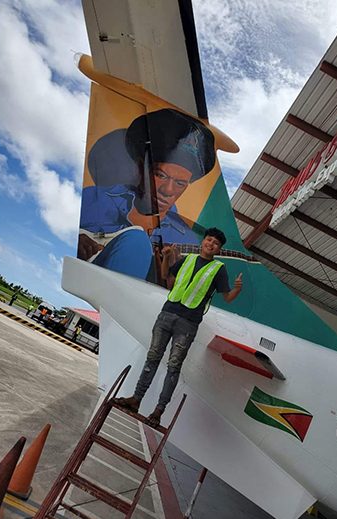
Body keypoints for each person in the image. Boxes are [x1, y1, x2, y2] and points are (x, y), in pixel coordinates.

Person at [114, 227, 243, 427]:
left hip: (188, 323)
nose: (211, 244)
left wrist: (236, 289)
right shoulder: (188, 259)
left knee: (173, 367)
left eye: (216, 243)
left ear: (218, 249)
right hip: (167, 314)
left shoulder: (218, 269)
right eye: (209, 240)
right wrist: (165, 257)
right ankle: (136, 400)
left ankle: (158, 411)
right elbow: (167, 276)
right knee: (153, 358)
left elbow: (227, 298)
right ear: (203, 242)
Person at [78, 108, 217, 281]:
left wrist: (169, 274)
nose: (168, 190)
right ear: (140, 168)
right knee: (136, 240)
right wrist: (77, 238)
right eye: (160, 175)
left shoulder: (186, 239)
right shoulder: (94, 198)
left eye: (180, 183)